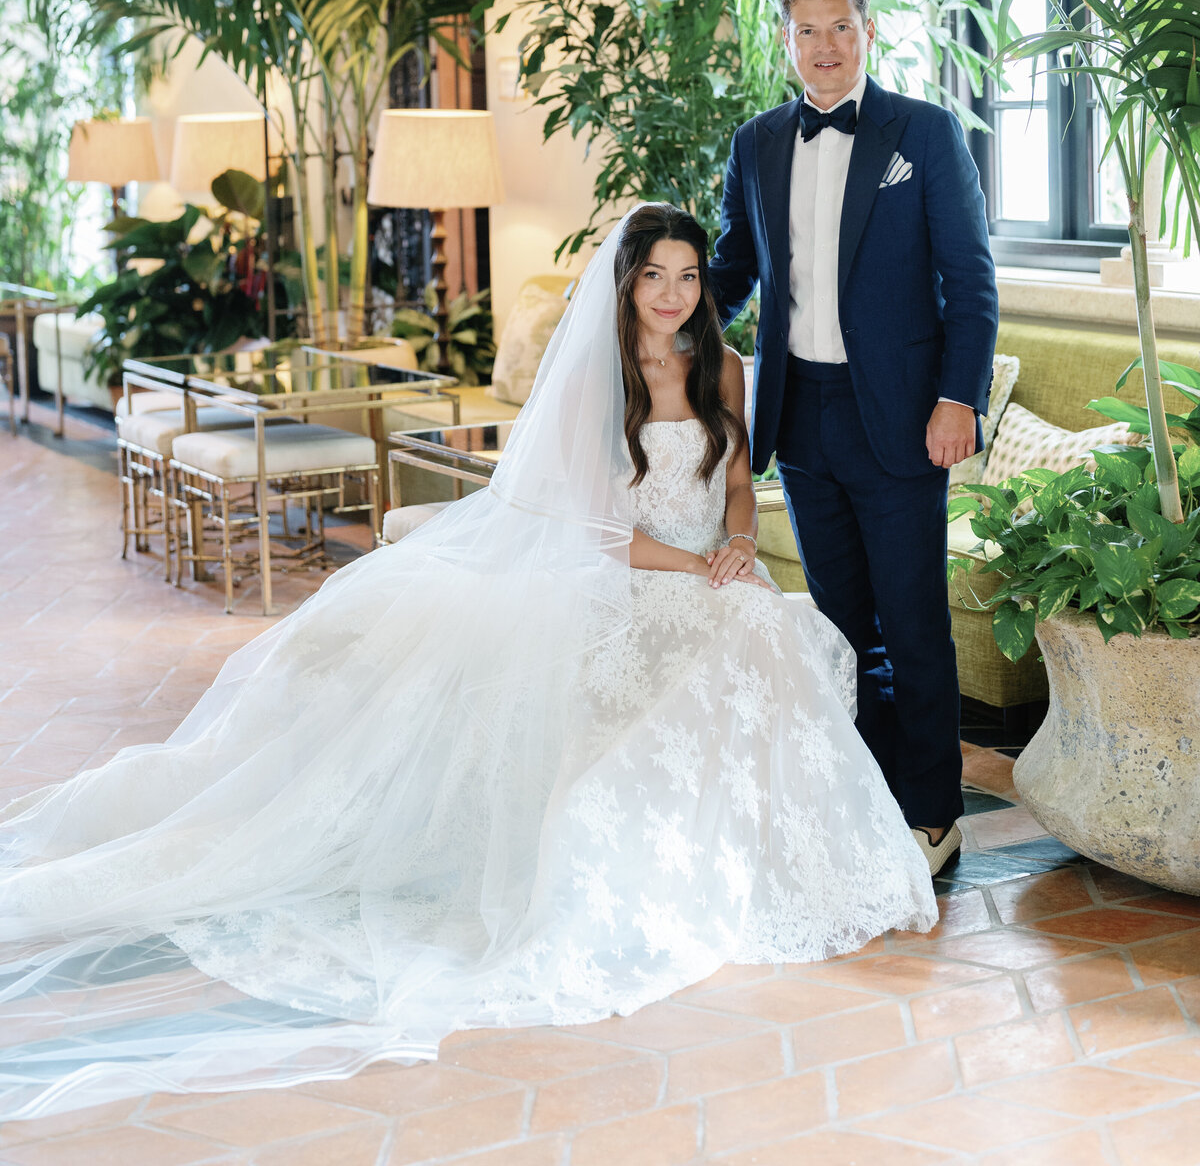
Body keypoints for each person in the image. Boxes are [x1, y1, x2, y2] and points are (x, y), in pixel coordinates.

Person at [0, 203, 934, 1122]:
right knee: (733, 641)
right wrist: (696, 567)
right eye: (655, 275)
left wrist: (736, 547)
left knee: (779, 632)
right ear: (627, 281)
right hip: (631, 578)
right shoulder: (600, 381)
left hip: (711, 572)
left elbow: (738, 480)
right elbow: (600, 533)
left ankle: (763, 856)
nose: (674, 294)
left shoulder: (722, 365)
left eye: (689, 277)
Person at [709, 0, 999, 876]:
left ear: (868, 32)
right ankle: (866, 798)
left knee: (912, 622)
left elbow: (972, 283)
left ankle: (933, 815)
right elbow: (732, 269)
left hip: (906, 421)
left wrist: (960, 399)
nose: (825, 48)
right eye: (807, 31)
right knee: (839, 626)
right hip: (801, 418)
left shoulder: (926, 133)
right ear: (787, 39)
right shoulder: (756, 143)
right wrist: (651, 300)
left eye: (840, 28)